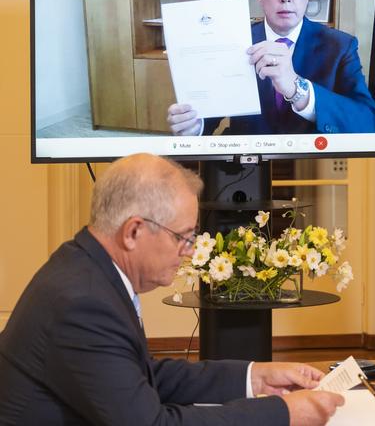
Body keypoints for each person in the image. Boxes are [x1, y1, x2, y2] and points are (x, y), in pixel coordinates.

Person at [0, 153, 343, 425]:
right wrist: (283, 414)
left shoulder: (86, 270)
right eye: (184, 237)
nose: (191, 251)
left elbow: (142, 377)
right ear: (133, 232)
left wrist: (255, 377)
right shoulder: (82, 304)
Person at [167, 0, 375, 136]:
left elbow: (369, 124)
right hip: (246, 167)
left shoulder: (340, 46)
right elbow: (211, 114)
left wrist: (299, 90)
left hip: (312, 167)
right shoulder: (236, 41)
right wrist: (195, 126)